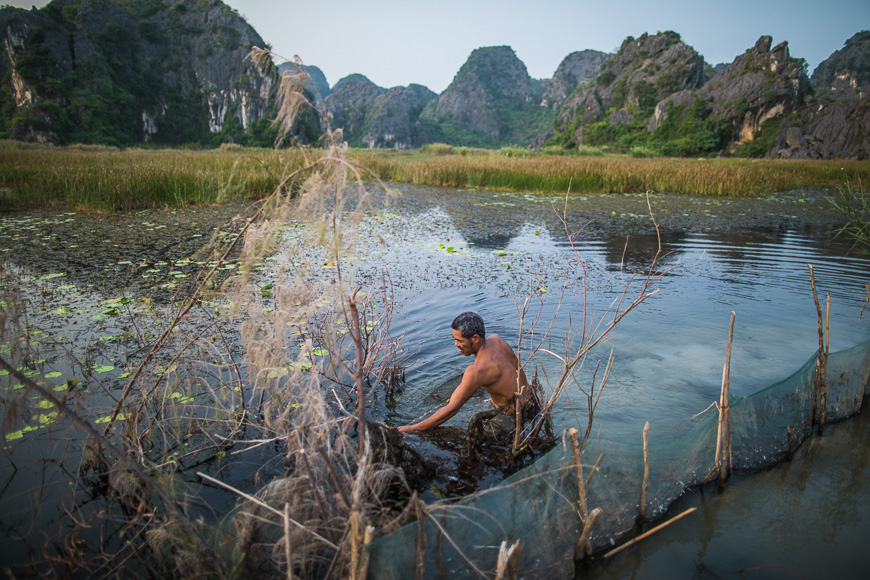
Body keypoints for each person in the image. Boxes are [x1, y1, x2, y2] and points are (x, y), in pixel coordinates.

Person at [398, 312, 530, 434]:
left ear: (475, 338)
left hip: (513, 418)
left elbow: (451, 409)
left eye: (460, 340)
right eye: (455, 339)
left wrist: (412, 428)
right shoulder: (497, 340)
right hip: (532, 404)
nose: (456, 344)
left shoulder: (476, 371)